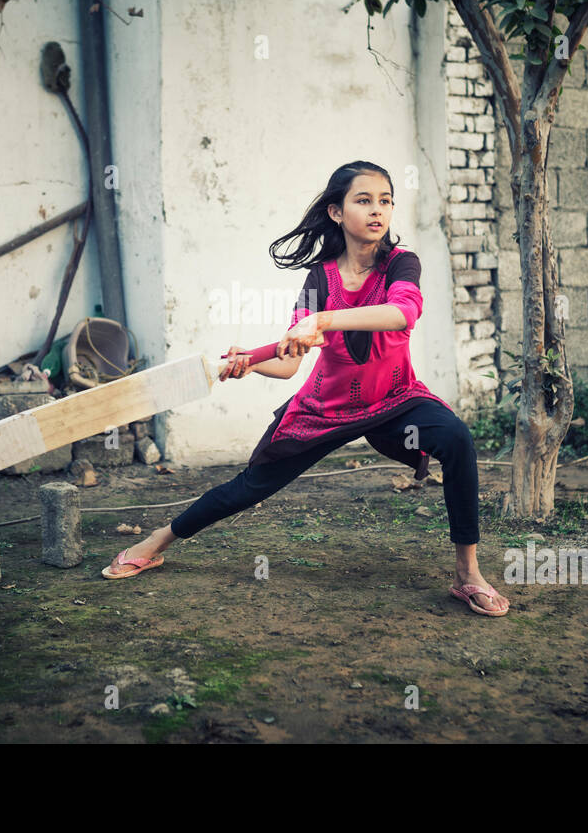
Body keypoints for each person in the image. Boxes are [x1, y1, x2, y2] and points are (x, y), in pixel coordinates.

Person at [102, 160, 509, 618]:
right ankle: (159, 540)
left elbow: (401, 314)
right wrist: (252, 366)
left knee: (455, 437)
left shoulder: (401, 263)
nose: (378, 211)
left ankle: (467, 572)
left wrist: (323, 320)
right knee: (250, 487)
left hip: (396, 399)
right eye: (364, 200)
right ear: (336, 212)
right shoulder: (320, 279)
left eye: (385, 200)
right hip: (326, 408)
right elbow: (292, 359)